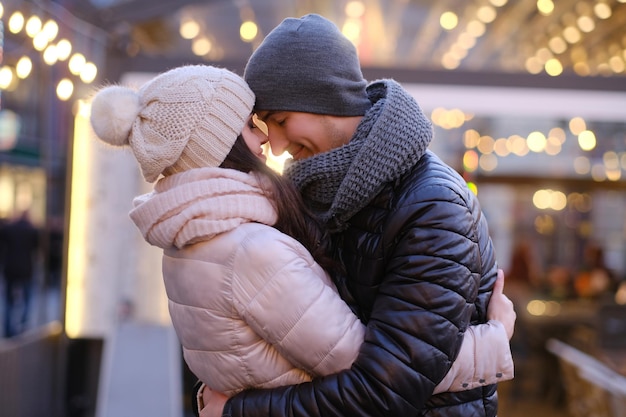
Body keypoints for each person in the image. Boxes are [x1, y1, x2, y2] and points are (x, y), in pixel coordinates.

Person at [88, 65, 514, 413]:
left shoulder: (187, 241)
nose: (266, 143)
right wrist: (493, 341)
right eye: (254, 128)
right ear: (219, 146)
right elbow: (377, 378)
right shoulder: (252, 252)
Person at [199, 14, 514, 417]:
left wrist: (238, 411)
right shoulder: (313, 194)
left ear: (323, 98)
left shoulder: (433, 206)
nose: (274, 146)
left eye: (280, 120)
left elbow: (387, 390)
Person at [0, 210, 40, 337]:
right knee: (27, 298)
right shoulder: (31, 231)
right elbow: (36, 248)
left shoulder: (9, 229)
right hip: (26, 268)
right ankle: (23, 323)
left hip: (10, 268)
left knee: (9, 301)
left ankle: (8, 328)